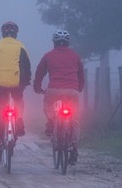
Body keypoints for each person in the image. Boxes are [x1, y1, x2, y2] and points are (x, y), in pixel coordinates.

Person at [33, 29, 84, 165]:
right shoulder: (75, 56)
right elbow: (81, 75)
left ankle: (51, 122)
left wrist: (37, 88)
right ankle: (74, 148)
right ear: (67, 42)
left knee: (48, 105)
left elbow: (39, 73)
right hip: (72, 91)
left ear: (54, 42)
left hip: (54, 90)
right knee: (75, 119)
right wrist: (79, 88)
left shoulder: (48, 55)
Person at [0, 21, 31, 162]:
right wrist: (26, 81)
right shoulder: (21, 46)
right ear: (16, 34)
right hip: (17, 85)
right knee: (19, 101)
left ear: (2, 33)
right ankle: (19, 120)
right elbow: (27, 67)